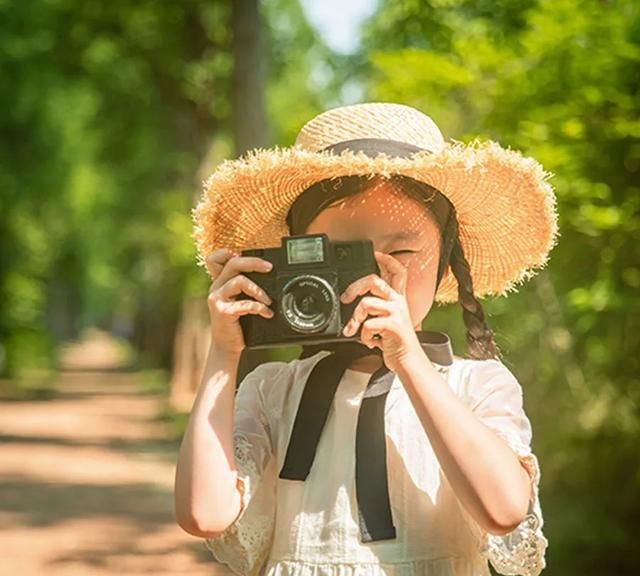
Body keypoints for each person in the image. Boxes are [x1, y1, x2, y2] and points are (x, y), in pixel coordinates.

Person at [175, 102, 558, 576]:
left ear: (444, 264)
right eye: (343, 256)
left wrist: (408, 359)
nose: (372, 277)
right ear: (296, 261)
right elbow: (203, 514)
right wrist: (224, 352)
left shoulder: (475, 386)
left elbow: (503, 512)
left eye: (400, 250)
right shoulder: (274, 390)